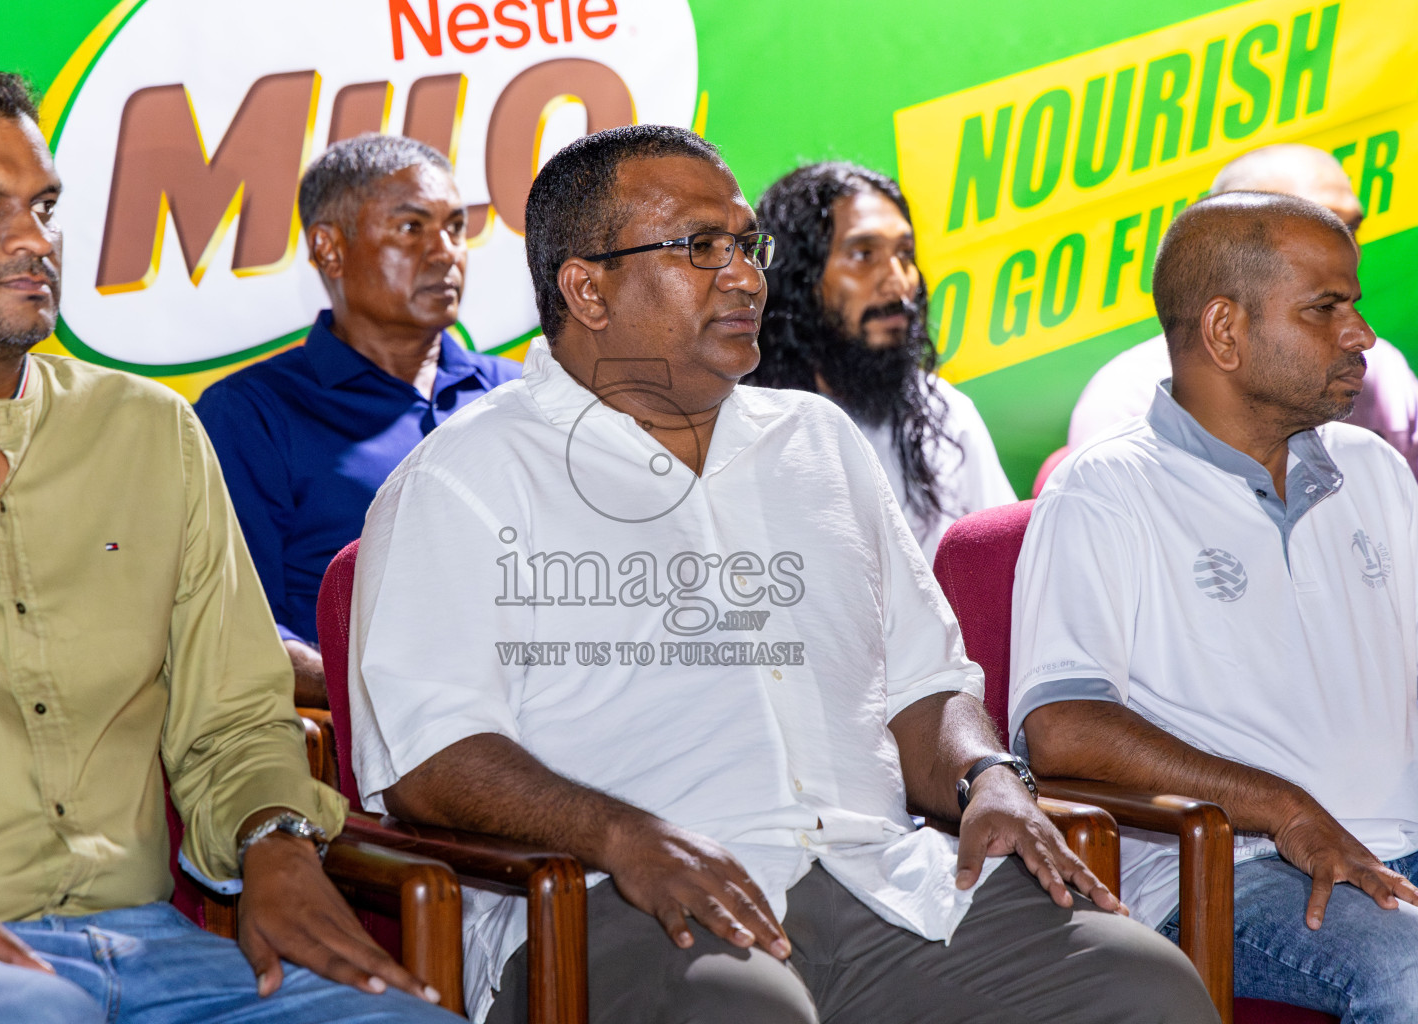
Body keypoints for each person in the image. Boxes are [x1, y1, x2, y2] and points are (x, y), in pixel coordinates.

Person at [346, 123, 1217, 1023]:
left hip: (879, 876)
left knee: (1145, 985)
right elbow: (429, 756)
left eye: (746, 243)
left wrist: (985, 776)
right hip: (618, 899)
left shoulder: (818, 440)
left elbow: (927, 686)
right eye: (702, 248)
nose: (747, 275)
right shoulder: (464, 479)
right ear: (587, 289)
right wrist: (619, 833)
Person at [0, 65, 458, 1024]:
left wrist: (276, 838)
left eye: (45, 204)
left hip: (162, 949)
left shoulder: (149, 430)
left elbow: (232, 718)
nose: (34, 239)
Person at [1012, 191, 1418, 1021]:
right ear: (1225, 331)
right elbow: (1064, 727)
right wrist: (1282, 808)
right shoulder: (1105, 492)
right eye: (1325, 309)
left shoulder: (1372, 467)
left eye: (1356, 305)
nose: (1362, 335)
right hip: (1233, 873)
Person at [194, 134, 520, 706]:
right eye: (411, 228)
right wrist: (384, 704)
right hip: (368, 750)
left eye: (455, 228)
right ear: (330, 250)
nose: (445, 252)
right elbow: (236, 626)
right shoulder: (250, 414)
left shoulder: (520, 394)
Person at [1068, 143, 1418, 476]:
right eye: (1310, 229)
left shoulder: (1377, 372)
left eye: (1350, 228)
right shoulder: (1130, 399)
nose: (1345, 250)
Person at [750, 162, 1014, 560]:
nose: (897, 279)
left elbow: (1002, 567)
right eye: (863, 254)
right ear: (800, 277)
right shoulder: (738, 428)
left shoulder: (943, 415)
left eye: (905, 254)